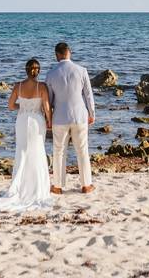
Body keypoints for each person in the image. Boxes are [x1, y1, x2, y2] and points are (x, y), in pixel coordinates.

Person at [0, 58, 54, 213]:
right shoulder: (41, 86)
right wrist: (49, 121)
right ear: (38, 71)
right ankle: (36, 188)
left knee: (21, 151)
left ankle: (19, 186)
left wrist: (22, 107)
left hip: (21, 120)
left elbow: (10, 106)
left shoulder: (18, 86)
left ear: (26, 71)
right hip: (36, 120)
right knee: (37, 151)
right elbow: (47, 106)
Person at [44, 42, 95, 194]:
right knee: (82, 151)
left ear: (56, 55)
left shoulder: (51, 74)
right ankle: (86, 185)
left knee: (59, 151)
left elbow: (49, 100)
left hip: (59, 117)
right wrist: (92, 113)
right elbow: (88, 95)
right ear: (69, 53)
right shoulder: (81, 70)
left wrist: (48, 118)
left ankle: (58, 186)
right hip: (79, 115)